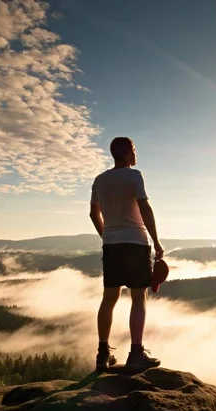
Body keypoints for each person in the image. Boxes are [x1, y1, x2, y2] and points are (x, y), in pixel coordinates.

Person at [89, 137, 164, 371]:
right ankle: (136, 353)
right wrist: (157, 241)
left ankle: (102, 353)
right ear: (129, 153)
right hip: (135, 243)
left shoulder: (99, 180)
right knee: (139, 297)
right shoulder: (134, 175)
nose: (135, 153)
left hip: (112, 246)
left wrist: (107, 236)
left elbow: (93, 214)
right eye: (134, 149)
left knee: (109, 299)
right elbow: (145, 208)